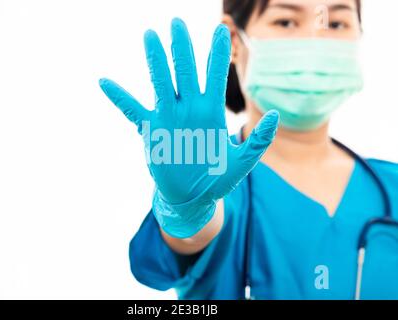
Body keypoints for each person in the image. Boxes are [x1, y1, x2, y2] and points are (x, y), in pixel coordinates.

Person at [99, 0, 398, 299]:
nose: (314, 38)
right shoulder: (216, 177)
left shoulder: (391, 186)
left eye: (335, 23)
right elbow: (194, 235)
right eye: (286, 22)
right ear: (234, 41)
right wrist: (187, 209)